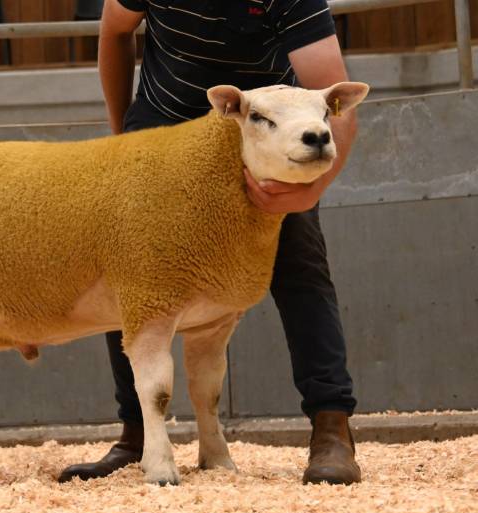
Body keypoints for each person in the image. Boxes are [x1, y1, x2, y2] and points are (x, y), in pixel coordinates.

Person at [58, 0, 362, 485]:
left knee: (299, 261)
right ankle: (136, 434)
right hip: (165, 125)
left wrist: (308, 193)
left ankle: (332, 428)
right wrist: (122, 135)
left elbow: (332, 93)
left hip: (264, 133)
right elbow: (114, 34)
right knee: (132, 273)